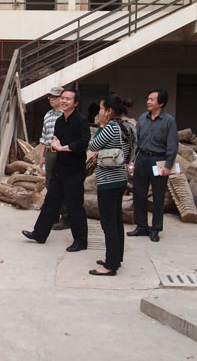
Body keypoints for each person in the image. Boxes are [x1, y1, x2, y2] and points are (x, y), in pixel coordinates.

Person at [22, 88, 90, 252]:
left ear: (76, 103)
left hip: (74, 170)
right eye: (63, 98)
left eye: (68, 99)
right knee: (51, 202)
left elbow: (83, 143)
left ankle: (80, 241)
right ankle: (39, 234)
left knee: (75, 206)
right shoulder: (59, 121)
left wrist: (62, 147)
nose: (64, 101)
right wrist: (54, 146)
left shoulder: (81, 121)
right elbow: (55, 142)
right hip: (60, 168)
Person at [87, 94, 132, 276]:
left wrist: (101, 126)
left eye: (101, 108)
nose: (99, 112)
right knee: (116, 221)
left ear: (109, 111)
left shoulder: (110, 128)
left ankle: (110, 266)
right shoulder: (125, 126)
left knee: (108, 223)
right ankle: (115, 258)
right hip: (120, 179)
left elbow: (92, 145)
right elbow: (128, 152)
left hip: (108, 181)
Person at [127, 88, 178, 243]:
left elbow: (172, 145)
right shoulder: (142, 118)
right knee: (139, 194)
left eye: (152, 99)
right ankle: (141, 226)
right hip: (142, 159)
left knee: (158, 196)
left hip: (159, 160)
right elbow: (135, 142)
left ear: (161, 103)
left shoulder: (169, 121)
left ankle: (155, 229)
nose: (148, 102)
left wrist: (168, 165)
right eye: (148, 99)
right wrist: (132, 160)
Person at [38, 86, 69, 230]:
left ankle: (66, 216)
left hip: (62, 152)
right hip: (50, 153)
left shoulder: (65, 115)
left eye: (54, 97)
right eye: (50, 97)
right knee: (49, 184)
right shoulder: (47, 115)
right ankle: (53, 215)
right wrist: (41, 155)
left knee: (62, 184)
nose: (51, 99)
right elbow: (44, 137)